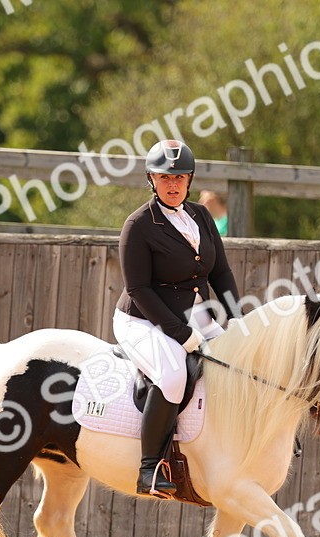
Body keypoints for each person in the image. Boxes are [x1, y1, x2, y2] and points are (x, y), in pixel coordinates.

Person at [114, 139, 243, 496]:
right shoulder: (138, 225)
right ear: (151, 180)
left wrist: (238, 319)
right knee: (172, 376)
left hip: (194, 312)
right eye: (164, 178)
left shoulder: (201, 216)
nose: (173, 185)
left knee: (236, 363)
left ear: (190, 180)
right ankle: (149, 468)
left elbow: (221, 273)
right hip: (142, 319)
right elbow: (139, 289)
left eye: (180, 178)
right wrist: (180, 333)